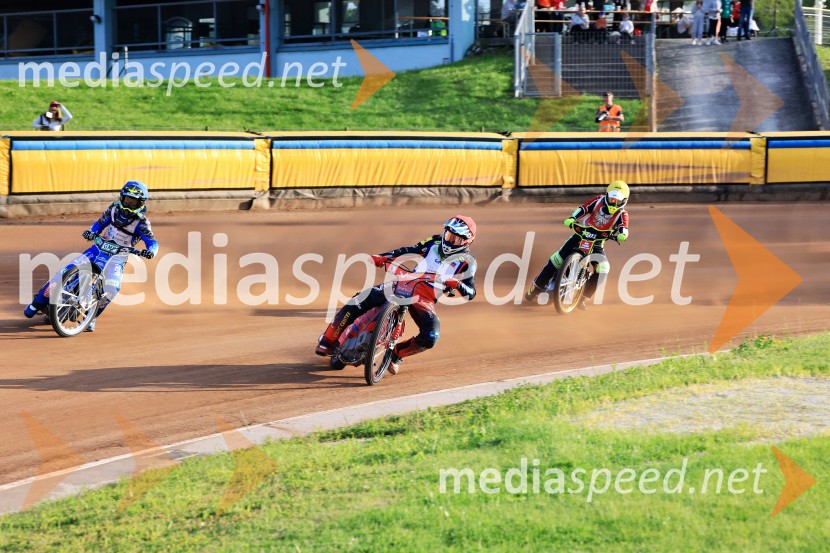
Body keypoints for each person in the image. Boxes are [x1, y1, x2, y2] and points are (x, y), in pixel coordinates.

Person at [315, 216, 477, 375]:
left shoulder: (468, 261)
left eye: (455, 238)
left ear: (467, 241)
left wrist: (458, 284)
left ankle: (396, 355)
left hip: (425, 299)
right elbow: (408, 250)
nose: (449, 241)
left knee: (431, 336)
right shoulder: (434, 242)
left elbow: (471, 292)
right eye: (448, 235)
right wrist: (382, 257)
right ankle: (328, 339)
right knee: (360, 299)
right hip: (405, 283)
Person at [24, 181, 159, 331]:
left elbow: (152, 242)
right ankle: (35, 304)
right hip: (97, 249)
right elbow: (99, 224)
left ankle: (92, 316)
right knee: (63, 274)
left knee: (112, 289)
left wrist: (151, 251)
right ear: (122, 198)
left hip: (118, 258)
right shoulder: (113, 209)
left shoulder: (142, 223)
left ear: (141, 203)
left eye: (133, 202)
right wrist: (91, 231)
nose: (128, 205)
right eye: (127, 200)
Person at [525, 181, 630, 309]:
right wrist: (572, 218)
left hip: (597, 243)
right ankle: (536, 287)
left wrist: (622, 234)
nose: (613, 202)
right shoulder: (598, 200)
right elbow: (584, 208)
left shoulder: (622, 214)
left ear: (623, 201)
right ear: (607, 195)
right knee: (557, 259)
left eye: (617, 201)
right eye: (611, 198)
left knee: (603, 269)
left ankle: (582, 298)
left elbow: (623, 227)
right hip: (580, 236)